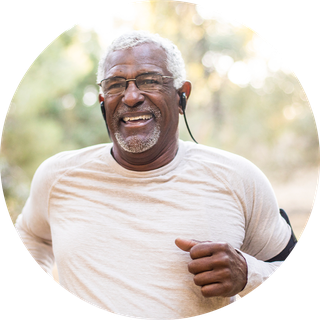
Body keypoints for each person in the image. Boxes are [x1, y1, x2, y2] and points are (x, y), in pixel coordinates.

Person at [15, 30, 296, 319]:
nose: (132, 96)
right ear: (103, 101)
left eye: (150, 80)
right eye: (115, 85)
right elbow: (32, 241)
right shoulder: (57, 177)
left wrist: (249, 273)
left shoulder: (238, 178)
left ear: (181, 96)